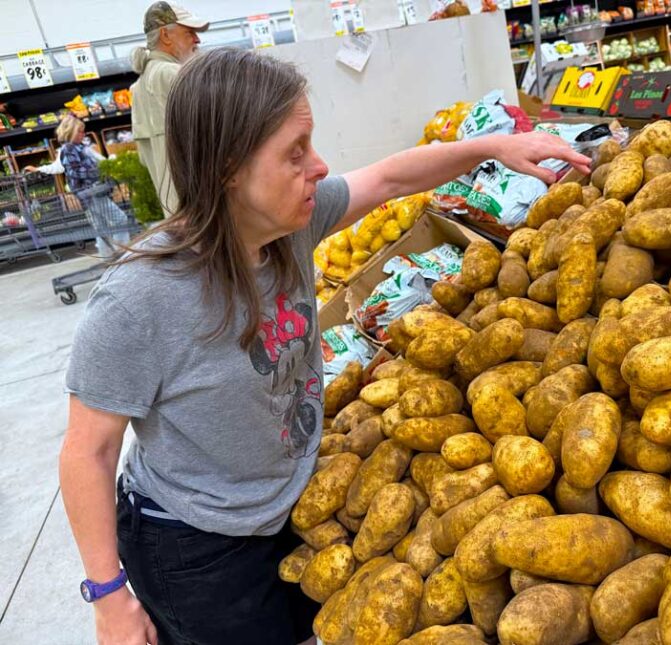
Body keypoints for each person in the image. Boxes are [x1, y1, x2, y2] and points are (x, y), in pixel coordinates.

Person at [59, 47, 590, 645]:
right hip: (197, 544)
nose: (319, 166)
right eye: (295, 152)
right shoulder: (139, 300)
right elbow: (87, 454)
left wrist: (491, 147)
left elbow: (391, 176)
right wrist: (108, 598)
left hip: (289, 504)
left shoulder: (289, 228)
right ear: (230, 167)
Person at [130, 1, 208, 217]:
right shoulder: (174, 75)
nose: (197, 39)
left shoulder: (138, 87)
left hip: (176, 216)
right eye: (189, 32)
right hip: (203, 209)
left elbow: (146, 159)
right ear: (165, 35)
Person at [28, 115, 131, 258]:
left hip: (89, 194)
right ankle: (123, 253)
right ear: (70, 132)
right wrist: (100, 172)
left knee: (101, 228)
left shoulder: (79, 147)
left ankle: (107, 257)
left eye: (83, 131)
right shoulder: (69, 149)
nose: (83, 134)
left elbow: (94, 162)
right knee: (120, 219)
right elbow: (75, 171)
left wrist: (108, 165)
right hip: (91, 192)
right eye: (80, 131)